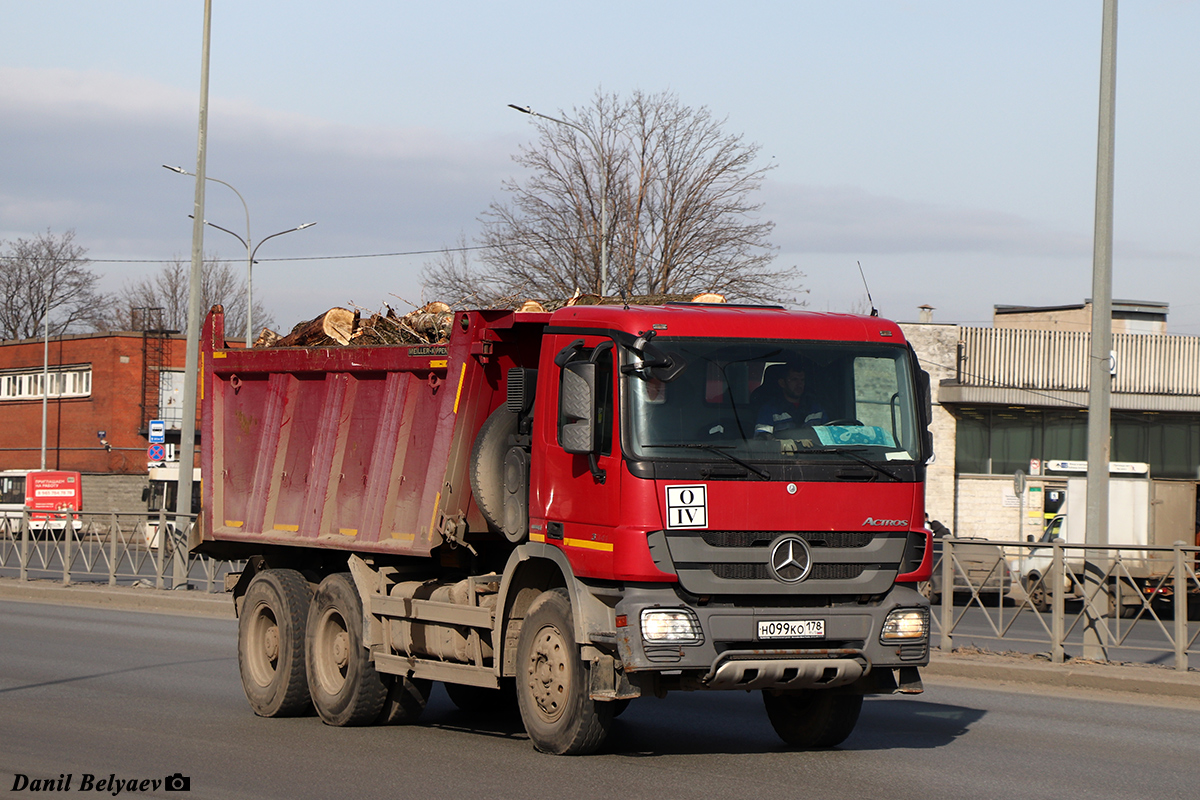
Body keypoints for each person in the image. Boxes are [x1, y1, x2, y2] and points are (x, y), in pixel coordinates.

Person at [754, 361, 826, 439]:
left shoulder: (816, 409)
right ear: (782, 383)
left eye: (802, 380)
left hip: (816, 451)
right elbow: (762, 437)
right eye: (794, 380)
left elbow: (828, 435)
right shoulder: (769, 410)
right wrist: (779, 443)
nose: (799, 384)